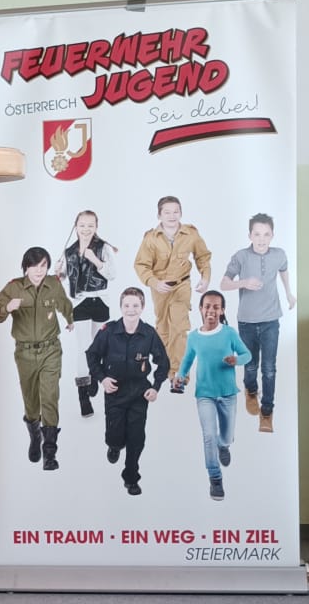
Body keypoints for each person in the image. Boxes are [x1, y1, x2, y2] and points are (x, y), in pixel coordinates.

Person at [0, 245, 74, 469]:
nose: (39, 270)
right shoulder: (14, 287)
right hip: (25, 353)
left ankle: (50, 452)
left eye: (43, 265)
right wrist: (8, 307)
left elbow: (64, 303)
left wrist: (70, 319)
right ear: (26, 267)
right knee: (31, 401)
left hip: (50, 350)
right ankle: (35, 435)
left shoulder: (53, 284)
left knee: (50, 397)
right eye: (34, 266)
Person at [85, 286, 168, 495]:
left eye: (135, 305)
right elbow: (92, 355)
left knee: (136, 438)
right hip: (114, 391)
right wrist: (102, 379)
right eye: (127, 305)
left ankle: (131, 477)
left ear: (142, 307)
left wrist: (155, 387)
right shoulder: (109, 331)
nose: (131, 309)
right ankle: (114, 446)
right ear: (121, 307)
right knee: (115, 436)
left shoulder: (149, 334)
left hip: (139, 393)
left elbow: (163, 363)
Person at [219, 211, 295, 433]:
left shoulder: (279, 254)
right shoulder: (241, 256)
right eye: (257, 234)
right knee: (251, 365)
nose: (261, 239)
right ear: (250, 235)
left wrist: (289, 293)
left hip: (271, 320)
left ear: (272, 235)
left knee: (269, 369)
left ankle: (267, 411)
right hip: (247, 322)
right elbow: (224, 284)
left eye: (266, 234)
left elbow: (283, 271)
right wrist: (244, 282)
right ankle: (251, 390)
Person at [174, 290, 251, 500]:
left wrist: (237, 360)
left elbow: (247, 354)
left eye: (216, 307)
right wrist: (180, 376)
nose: (211, 310)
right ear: (200, 309)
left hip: (228, 394)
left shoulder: (229, 333)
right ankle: (215, 478)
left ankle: (224, 445)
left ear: (222, 310)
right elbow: (187, 361)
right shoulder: (194, 337)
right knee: (208, 435)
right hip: (205, 394)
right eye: (207, 306)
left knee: (225, 436)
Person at [133, 195, 210, 391]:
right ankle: (166, 369)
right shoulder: (151, 238)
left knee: (179, 326)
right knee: (163, 329)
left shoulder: (190, 234)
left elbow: (202, 256)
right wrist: (154, 282)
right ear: (159, 215)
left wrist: (205, 277)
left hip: (181, 286)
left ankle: (179, 374)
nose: (172, 216)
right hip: (160, 288)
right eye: (167, 212)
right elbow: (141, 265)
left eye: (176, 211)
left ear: (181, 213)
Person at [61, 208, 116, 419]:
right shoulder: (69, 251)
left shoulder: (104, 248)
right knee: (83, 347)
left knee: (98, 346)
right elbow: (63, 276)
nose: (86, 229)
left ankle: (94, 374)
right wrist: (58, 272)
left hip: (100, 300)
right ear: (75, 227)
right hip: (80, 302)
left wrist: (95, 259)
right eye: (82, 225)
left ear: (96, 227)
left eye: (90, 225)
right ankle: (83, 395)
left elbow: (112, 274)